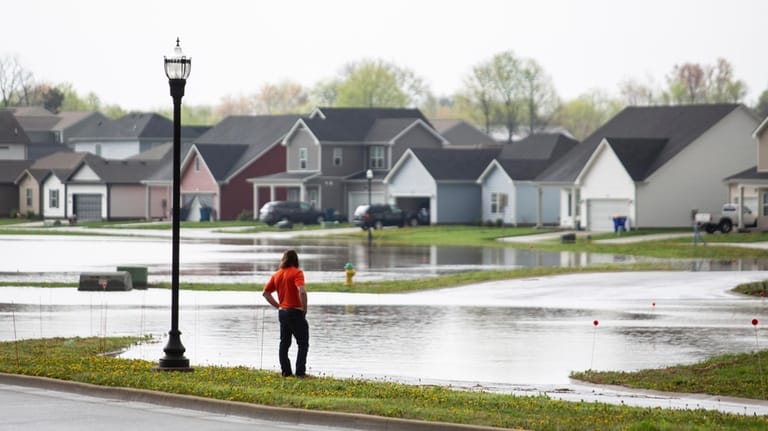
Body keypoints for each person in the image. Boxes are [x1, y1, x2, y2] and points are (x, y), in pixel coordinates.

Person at [262, 249, 309, 377]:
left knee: (284, 343)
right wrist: (304, 308)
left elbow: (265, 293)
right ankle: (300, 373)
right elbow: (302, 291)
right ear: (296, 260)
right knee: (303, 343)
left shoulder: (277, 274)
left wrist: (279, 306)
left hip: (282, 313)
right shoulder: (297, 273)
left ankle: (286, 372)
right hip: (295, 311)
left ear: (284, 260)